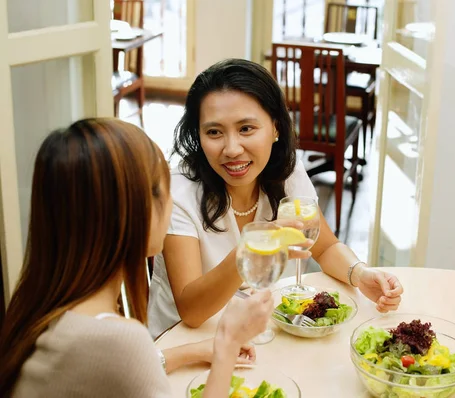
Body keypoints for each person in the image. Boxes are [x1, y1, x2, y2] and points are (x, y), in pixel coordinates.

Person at [0, 118, 273, 397]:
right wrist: (229, 340)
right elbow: (118, 356)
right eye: (166, 191)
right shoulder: (117, 339)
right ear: (135, 211)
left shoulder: (40, 310)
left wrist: (190, 352)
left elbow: (111, 366)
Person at [148, 58, 404, 338]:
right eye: (214, 132)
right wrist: (251, 250)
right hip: (184, 342)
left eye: (246, 128)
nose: (232, 149)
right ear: (198, 135)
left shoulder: (285, 172)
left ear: (276, 128)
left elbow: (325, 248)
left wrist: (360, 274)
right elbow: (191, 311)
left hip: (254, 329)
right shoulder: (180, 192)